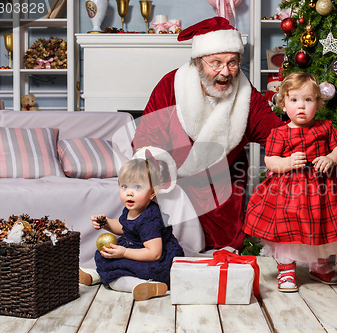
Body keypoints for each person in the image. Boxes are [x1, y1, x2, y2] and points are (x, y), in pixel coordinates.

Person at [132, 16, 284, 252]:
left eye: (233, 63)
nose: (225, 72)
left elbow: (276, 134)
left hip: (223, 191)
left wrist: (310, 146)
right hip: (176, 186)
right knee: (166, 247)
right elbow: (147, 137)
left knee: (224, 254)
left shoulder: (246, 94)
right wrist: (156, 175)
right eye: (216, 63)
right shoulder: (171, 85)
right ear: (197, 63)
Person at [243, 72, 337, 292]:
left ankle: (321, 266)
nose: (301, 106)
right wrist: (287, 162)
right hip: (290, 192)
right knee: (288, 228)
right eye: (294, 100)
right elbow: (270, 161)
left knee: (326, 225)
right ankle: (286, 269)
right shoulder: (279, 133)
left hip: (324, 190)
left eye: (308, 100)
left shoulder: (325, 128)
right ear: (284, 105)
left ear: (318, 104)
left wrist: (331, 158)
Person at [79, 155, 185, 301]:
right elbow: (125, 228)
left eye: (137, 187)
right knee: (103, 255)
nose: (129, 192)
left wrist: (124, 252)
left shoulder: (150, 219)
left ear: (152, 192)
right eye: (124, 186)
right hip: (135, 249)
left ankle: (141, 285)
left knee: (118, 267)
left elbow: (154, 253)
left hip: (156, 263)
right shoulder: (132, 209)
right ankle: (99, 275)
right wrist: (106, 223)